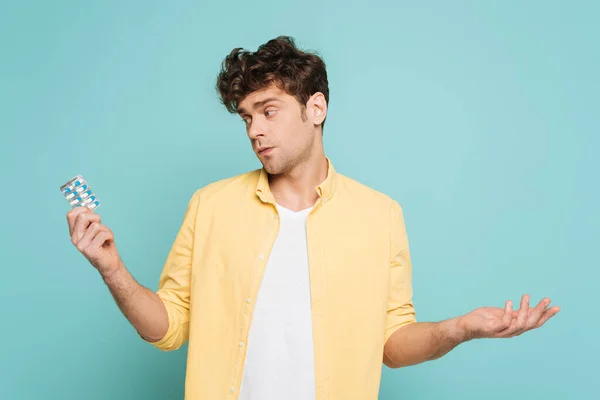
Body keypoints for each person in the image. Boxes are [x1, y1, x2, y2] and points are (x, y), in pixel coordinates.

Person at [65, 36, 560, 400]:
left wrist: (458, 330)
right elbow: (169, 327)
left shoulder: (380, 215)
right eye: (246, 117)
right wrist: (112, 270)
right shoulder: (210, 205)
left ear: (316, 107)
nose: (255, 130)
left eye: (269, 110)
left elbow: (391, 344)